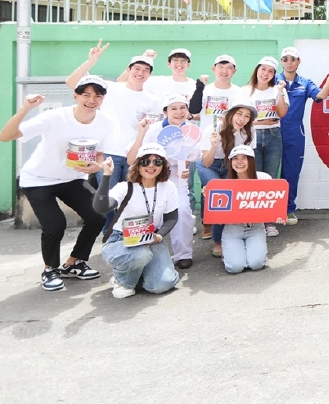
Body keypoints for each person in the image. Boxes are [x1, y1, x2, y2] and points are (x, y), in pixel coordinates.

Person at [0, 79, 113, 291]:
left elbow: (98, 153)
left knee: (97, 216)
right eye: (86, 94)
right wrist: (26, 108)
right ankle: (50, 269)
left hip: (72, 179)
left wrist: (96, 167)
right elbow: (5, 136)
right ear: (75, 96)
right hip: (38, 179)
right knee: (55, 224)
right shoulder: (55, 117)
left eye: (98, 95)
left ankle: (74, 262)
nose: (92, 100)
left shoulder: (105, 122)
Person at [66, 41, 161, 186]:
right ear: (128, 70)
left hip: (135, 155)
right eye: (137, 68)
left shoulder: (152, 100)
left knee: (130, 199)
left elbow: (150, 131)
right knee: (107, 198)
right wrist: (91, 61)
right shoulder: (110, 88)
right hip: (107, 153)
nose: (140, 73)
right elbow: (72, 82)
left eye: (145, 70)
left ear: (150, 74)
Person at [93, 143, 181, 298]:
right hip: (122, 239)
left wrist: (158, 236)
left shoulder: (169, 187)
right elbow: (100, 207)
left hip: (151, 238)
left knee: (163, 284)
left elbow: (171, 218)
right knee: (141, 255)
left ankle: (137, 274)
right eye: (145, 161)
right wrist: (106, 176)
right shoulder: (124, 187)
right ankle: (123, 280)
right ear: (138, 165)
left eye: (157, 162)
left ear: (163, 165)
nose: (151, 166)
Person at [127, 95, 204, 268]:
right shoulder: (152, 129)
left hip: (177, 179)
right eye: (173, 108)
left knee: (183, 211)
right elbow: (133, 158)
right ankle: (143, 251)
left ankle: (183, 254)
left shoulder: (192, 129)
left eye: (182, 108)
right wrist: (141, 133)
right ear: (165, 112)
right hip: (150, 179)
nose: (179, 112)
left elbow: (192, 154)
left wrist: (184, 167)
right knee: (149, 213)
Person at [278, 47, 329, 225]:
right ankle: (266, 212)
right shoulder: (272, 81)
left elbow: (322, 95)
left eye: (293, 59)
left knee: (291, 173)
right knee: (266, 171)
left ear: (298, 62)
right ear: (281, 62)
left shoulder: (304, 83)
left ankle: (288, 209)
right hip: (272, 132)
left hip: (294, 134)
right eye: (285, 59)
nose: (289, 62)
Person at [198, 102, 256, 254]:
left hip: (230, 164)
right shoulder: (213, 129)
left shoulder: (248, 132)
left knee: (228, 195)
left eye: (247, 116)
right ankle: (217, 240)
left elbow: (248, 159)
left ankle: (233, 230)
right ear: (230, 114)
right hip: (209, 164)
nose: (242, 119)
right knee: (218, 193)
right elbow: (206, 162)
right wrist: (213, 145)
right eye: (239, 114)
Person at [220, 146, 272, 274]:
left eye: (244, 158)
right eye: (235, 159)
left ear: (251, 161)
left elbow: (273, 202)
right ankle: (231, 253)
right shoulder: (224, 183)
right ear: (230, 162)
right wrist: (209, 194)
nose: (239, 162)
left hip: (255, 228)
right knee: (234, 267)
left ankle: (246, 252)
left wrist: (279, 214)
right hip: (233, 229)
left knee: (256, 264)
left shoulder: (264, 178)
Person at [244, 56, 288, 178]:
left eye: (270, 71)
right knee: (254, 176)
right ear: (257, 70)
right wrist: (260, 122)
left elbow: (282, 113)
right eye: (263, 69)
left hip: (274, 136)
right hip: (251, 135)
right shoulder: (244, 91)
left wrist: (280, 92)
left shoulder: (278, 90)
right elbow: (239, 119)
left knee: (271, 176)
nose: (265, 74)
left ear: (274, 74)